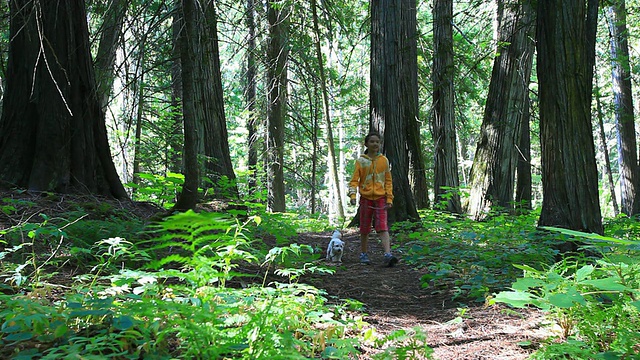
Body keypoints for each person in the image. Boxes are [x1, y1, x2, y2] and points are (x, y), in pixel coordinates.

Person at [348, 131, 398, 267]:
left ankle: (388, 254)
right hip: (366, 199)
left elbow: (388, 181)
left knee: (382, 226)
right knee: (364, 227)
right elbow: (354, 180)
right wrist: (353, 195)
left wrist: (389, 199)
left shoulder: (384, 160)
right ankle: (363, 253)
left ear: (380, 144)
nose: (375, 144)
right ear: (366, 144)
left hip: (381, 198)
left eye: (377, 142)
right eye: (372, 142)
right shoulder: (361, 161)